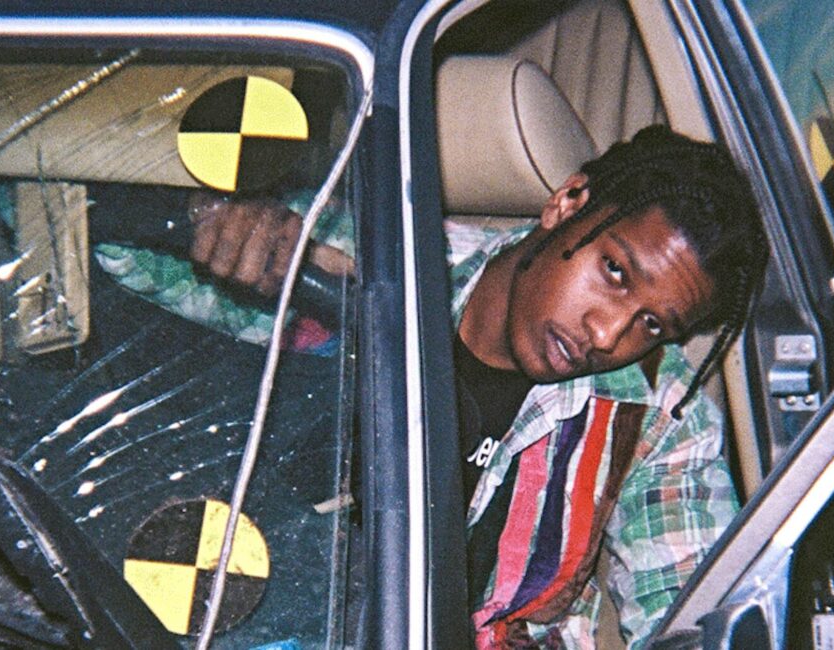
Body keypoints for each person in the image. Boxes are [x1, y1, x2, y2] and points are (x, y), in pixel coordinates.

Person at [190, 125, 768, 647]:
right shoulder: (372, 259)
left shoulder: (657, 417)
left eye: (652, 324)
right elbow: (124, 260)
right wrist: (214, 221)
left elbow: (694, 618)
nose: (607, 333)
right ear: (566, 204)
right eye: (615, 271)